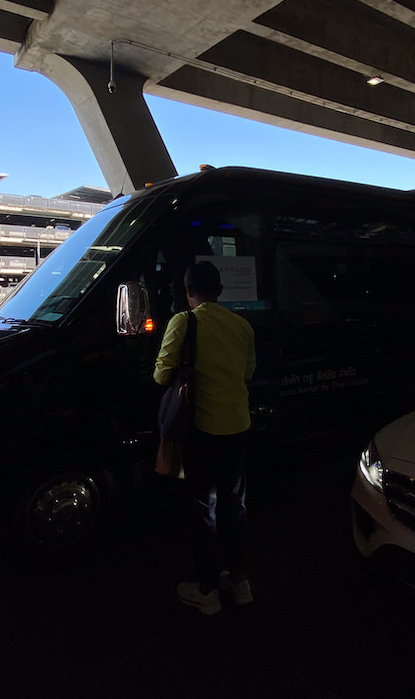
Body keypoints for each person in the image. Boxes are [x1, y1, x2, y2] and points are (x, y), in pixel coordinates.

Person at [153, 260, 256, 615]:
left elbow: (161, 375)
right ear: (221, 291)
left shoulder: (184, 321)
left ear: (188, 291)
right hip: (238, 426)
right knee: (235, 504)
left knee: (203, 508)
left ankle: (208, 589)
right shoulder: (242, 325)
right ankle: (239, 581)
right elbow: (248, 372)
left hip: (203, 430)